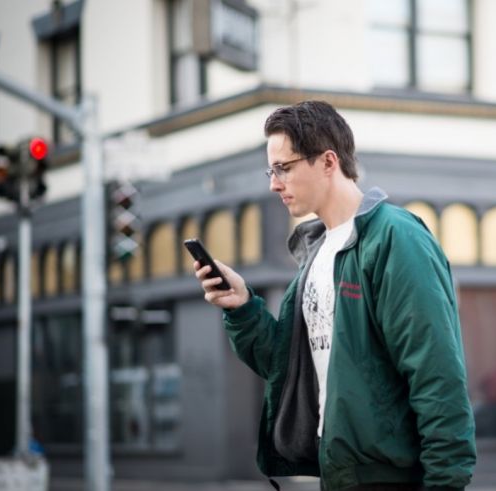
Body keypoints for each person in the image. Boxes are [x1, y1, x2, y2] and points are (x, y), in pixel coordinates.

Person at [194, 100, 476, 490]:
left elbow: (437, 375)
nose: (274, 183)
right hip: (337, 473)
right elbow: (288, 369)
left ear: (328, 162)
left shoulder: (395, 238)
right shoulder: (318, 252)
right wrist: (243, 308)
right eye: (271, 170)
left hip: (388, 478)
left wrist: (445, 484)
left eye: (284, 168)